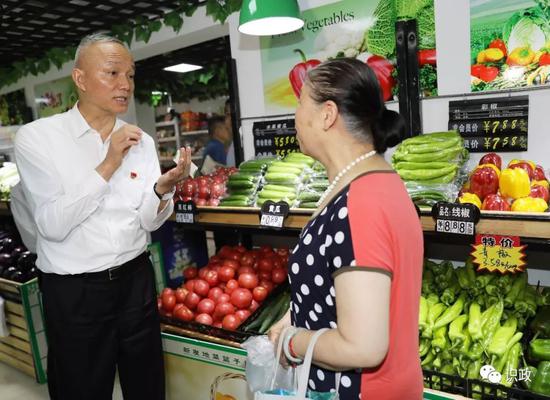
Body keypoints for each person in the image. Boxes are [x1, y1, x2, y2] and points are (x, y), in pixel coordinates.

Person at [14, 33, 192, 400]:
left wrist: (162, 190)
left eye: (129, 75)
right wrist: (109, 163)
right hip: (75, 292)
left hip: (136, 281)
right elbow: (51, 225)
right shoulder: (38, 138)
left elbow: (147, 221)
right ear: (80, 79)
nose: (124, 84)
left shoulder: (140, 141)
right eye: (112, 73)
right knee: (82, 388)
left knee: (146, 385)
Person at [268, 58, 424, 399]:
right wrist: (296, 315)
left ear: (327, 114)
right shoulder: (371, 181)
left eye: (299, 103)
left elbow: (363, 347)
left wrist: (293, 341)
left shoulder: (361, 202)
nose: (294, 116)